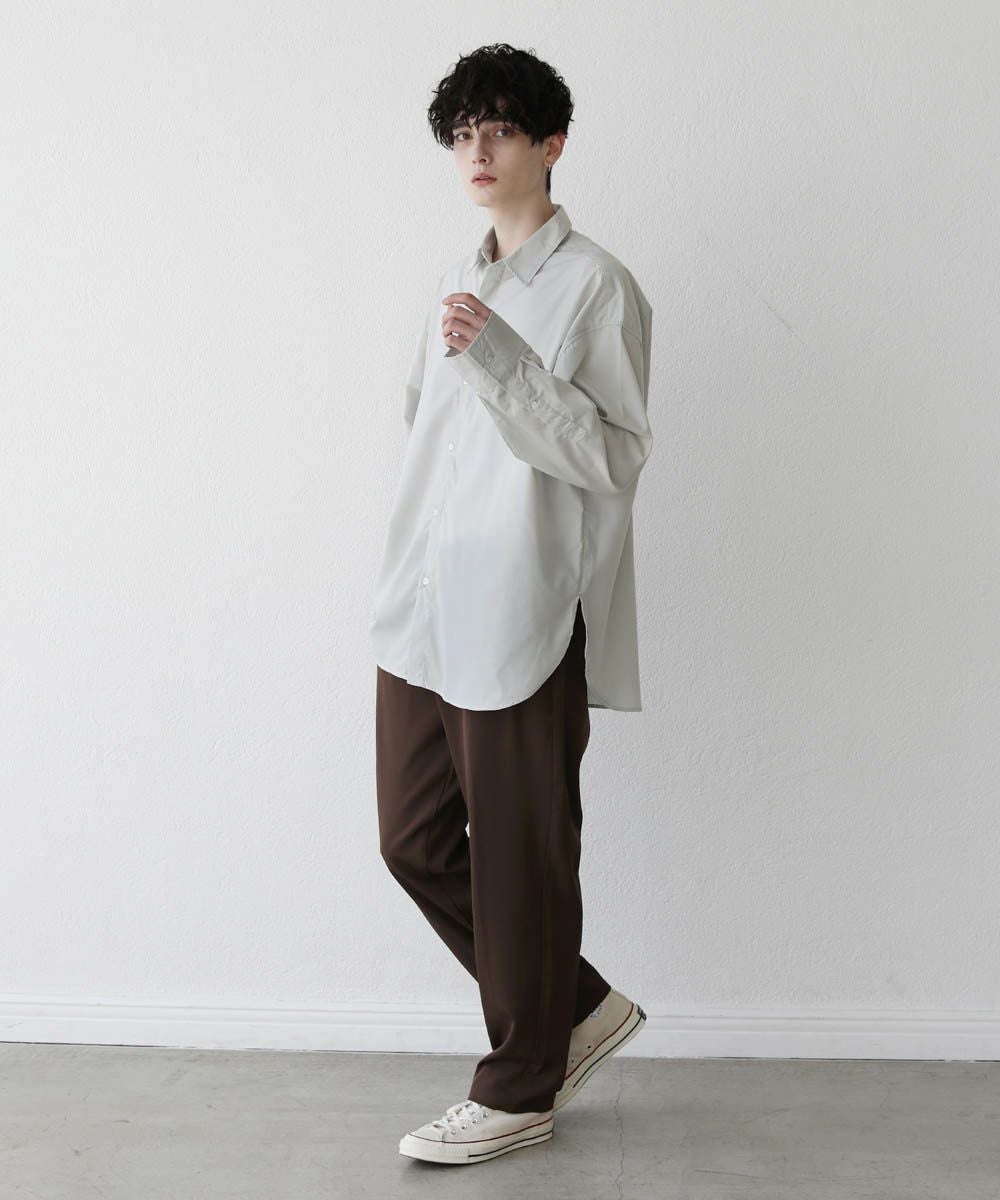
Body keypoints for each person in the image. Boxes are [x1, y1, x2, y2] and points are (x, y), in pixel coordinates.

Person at [368, 42, 651, 1166]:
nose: (477, 151)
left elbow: (615, 456)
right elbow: (424, 431)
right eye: (462, 133)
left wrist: (504, 363)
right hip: (425, 604)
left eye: (500, 130)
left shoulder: (597, 287)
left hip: (522, 611)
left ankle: (520, 1084)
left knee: (521, 858)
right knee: (411, 838)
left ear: (550, 143)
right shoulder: (458, 276)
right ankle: (571, 1008)